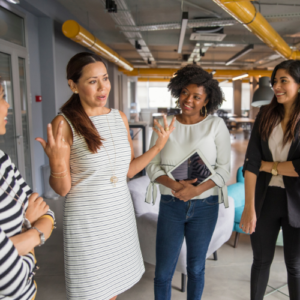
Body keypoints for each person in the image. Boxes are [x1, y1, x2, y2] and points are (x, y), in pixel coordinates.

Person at [35, 52, 175, 300]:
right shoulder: (64, 123)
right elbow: (63, 189)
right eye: (92, 81)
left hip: (119, 215)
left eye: (105, 79)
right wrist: (56, 162)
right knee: (91, 290)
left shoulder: (119, 117)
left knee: (112, 289)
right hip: (88, 222)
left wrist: (158, 147)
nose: (103, 88)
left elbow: (128, 171)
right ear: (73, 85)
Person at [146, 64, 231, 300]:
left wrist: (196, 190)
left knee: (196, 269)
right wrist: (176, 186)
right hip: (171, 204)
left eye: (196, 96)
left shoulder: (215, 126)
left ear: (206, 100)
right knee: (163, 272)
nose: (188, 100)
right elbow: (151, 166)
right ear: (177, 92)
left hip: (205, 207)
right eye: (184, 92)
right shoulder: (164, 125)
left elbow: (225, 169)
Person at [240, 60, 300, 300]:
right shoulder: (265, 113)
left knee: (295, 266)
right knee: (261, 261)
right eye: (275, 81)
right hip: (264, 200)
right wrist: (249, 206)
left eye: (283, 81)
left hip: (297, 201)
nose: (276, 86)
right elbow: (251, 163)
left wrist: (271, 166)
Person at [0, 77, 55, 300]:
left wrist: (19, 243)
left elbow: (47, 213)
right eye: (2, 98)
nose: (7, 105)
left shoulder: (2, 159)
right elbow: (12, 281)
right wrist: (29, 230)